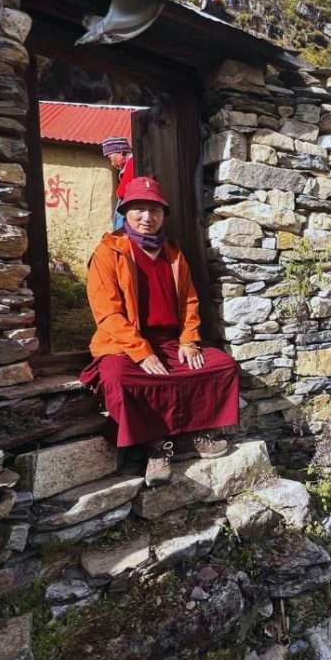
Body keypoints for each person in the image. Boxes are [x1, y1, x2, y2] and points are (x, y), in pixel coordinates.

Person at [79, 176, 239, 486]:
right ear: (125, 212)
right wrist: (141, 352)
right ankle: (155, 446)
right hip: (124, 343)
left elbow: (190, 301)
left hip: (171, 342)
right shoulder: (109, 252)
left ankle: (197, 432)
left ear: (163, 215)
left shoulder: (174, 254)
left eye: (154, 210)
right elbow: (107, 313)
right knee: (118, 378)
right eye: (138, 209)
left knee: (222, 366)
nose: (146, 218)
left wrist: (190, 340)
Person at [101, 136, 135, 231]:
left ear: (121, 152)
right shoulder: (129, 164)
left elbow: (122, 192)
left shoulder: (132, 163)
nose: (112, 163)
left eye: (111, 158)